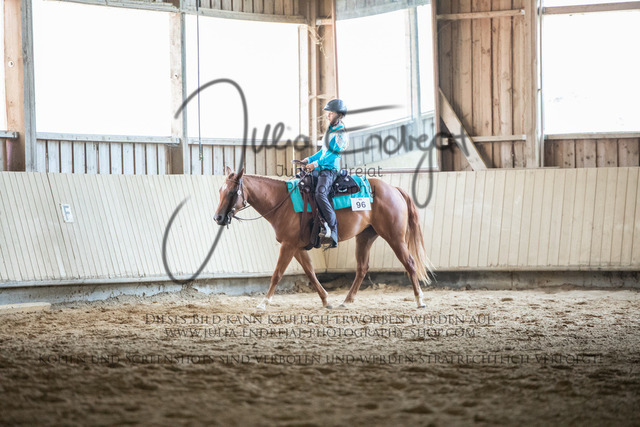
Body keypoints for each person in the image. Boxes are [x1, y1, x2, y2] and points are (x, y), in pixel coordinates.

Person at [300, 99, 348, 249]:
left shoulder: (341, 133)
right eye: (328, 113)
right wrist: (309, 159)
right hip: (322, 167)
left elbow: (332, 154)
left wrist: (315, 164)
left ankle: (333, 229)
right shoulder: (330, 130)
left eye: (331, 113)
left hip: (330, 170)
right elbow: (323, 152)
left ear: (339, 115)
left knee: (320, 193)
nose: (328, 115)